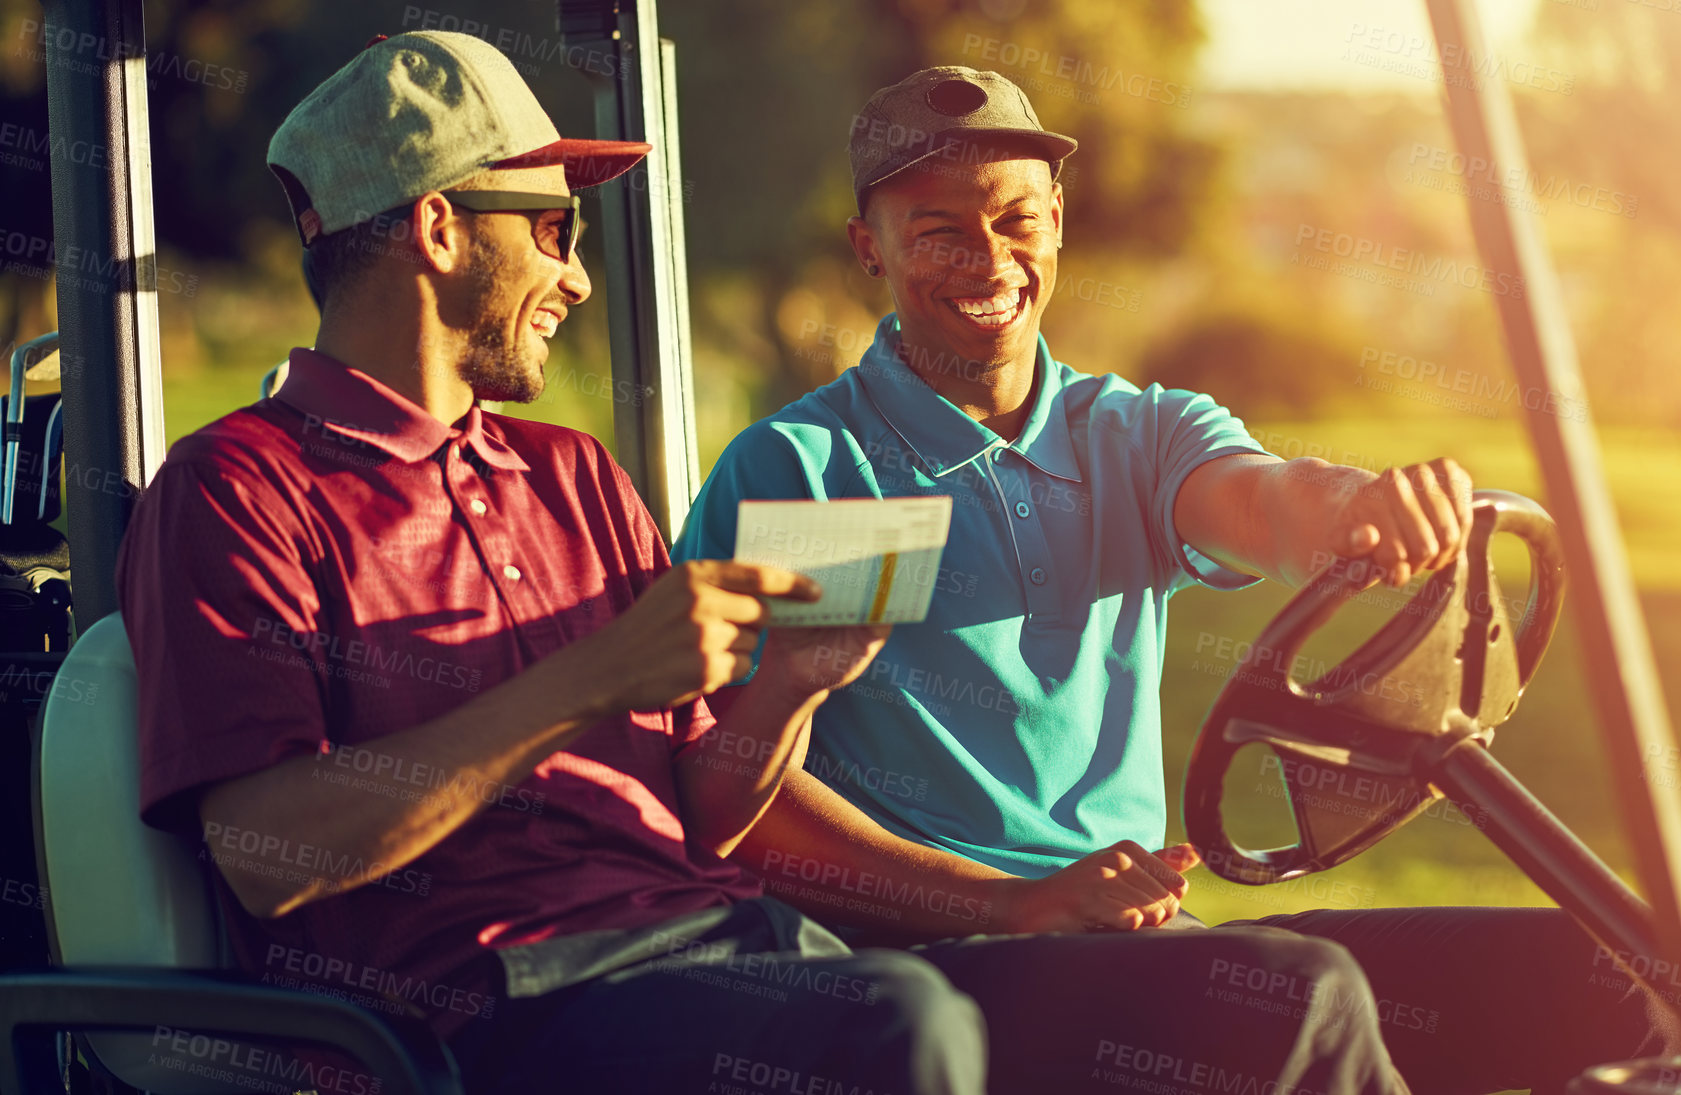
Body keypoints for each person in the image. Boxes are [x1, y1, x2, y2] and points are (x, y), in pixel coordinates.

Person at [119, 34, 1411, 1095]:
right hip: (486, 1005)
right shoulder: (239, 488)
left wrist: (789, 684)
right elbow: (264, 849)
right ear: (443, 227)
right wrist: (585, 680)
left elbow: (709, 806)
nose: (573, 274)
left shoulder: (569, 477)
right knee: (895, 1025)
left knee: (1286, 995)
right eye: (555, 229)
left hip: (736, 947)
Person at [676, 65, 1681, 1093]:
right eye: (938, 231)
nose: (990, 259)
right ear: (869, 251)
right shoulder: (818, 472)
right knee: (1299, 993)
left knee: (1610, 973)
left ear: (1057, 222)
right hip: (931, 965)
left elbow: (1260, 499)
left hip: (1133, 941)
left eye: (1018, 221)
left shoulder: (1132, 434)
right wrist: (1009, 902)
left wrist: (1354, 506)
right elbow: (746, 803)